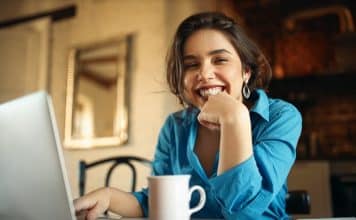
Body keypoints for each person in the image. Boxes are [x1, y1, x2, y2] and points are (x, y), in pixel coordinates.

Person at [74, 12, 302, 220]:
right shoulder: (175, 127)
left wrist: (235, 119)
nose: (204, 73)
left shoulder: (281, 117)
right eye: (191, 64)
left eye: (220, 60)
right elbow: (158, 203)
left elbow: (243, 211)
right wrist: (109, 197)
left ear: (245, 71)